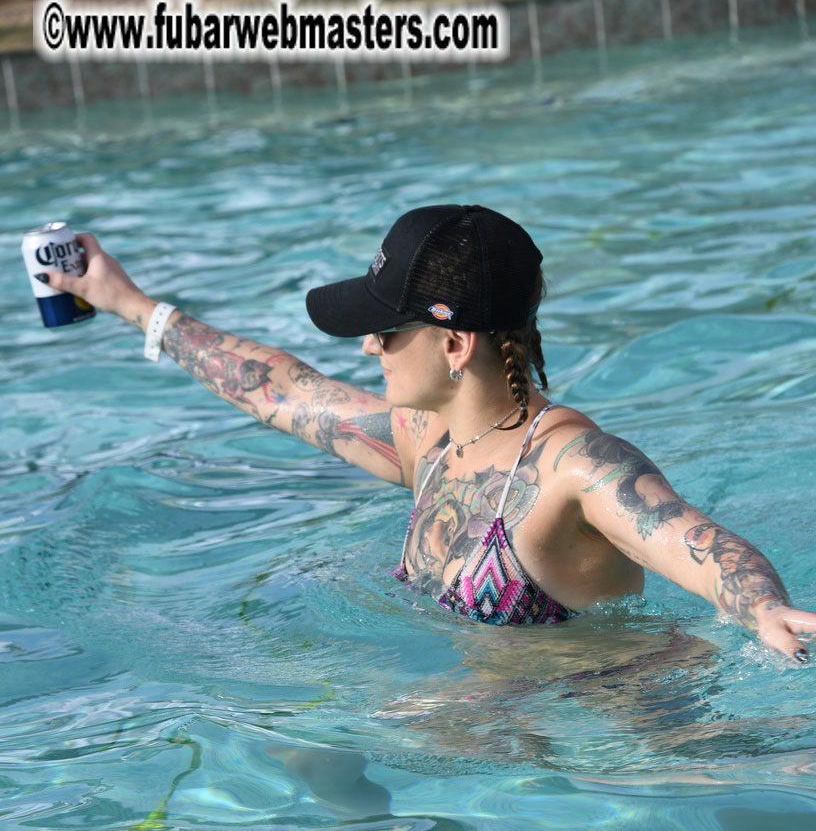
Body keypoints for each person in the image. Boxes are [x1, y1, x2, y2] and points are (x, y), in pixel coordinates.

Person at [38, 203, 815, 662]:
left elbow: (697, 542)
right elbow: (280, 390)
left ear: (453, 344)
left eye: (385, 330)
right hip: (494, 733)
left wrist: (762, 611)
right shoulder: (428, 438)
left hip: (624, 739)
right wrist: (132, 304)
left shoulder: (572, 468)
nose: (367, 346)